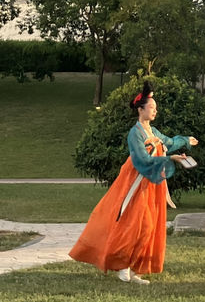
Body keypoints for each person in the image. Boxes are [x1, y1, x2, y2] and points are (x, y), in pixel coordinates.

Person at [69, 81, 198, 284]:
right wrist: (169, 159)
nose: (155, 111)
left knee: (148, 226)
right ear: (141, 109)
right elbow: (142, 160)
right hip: (134, 183)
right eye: (151, 108)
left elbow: (169, 142)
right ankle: (121, 264)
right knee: (135, 224)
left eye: (155, 108)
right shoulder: (135, 133)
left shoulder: (152, 131)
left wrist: (185, 140)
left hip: (149, 185)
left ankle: (135, 268)